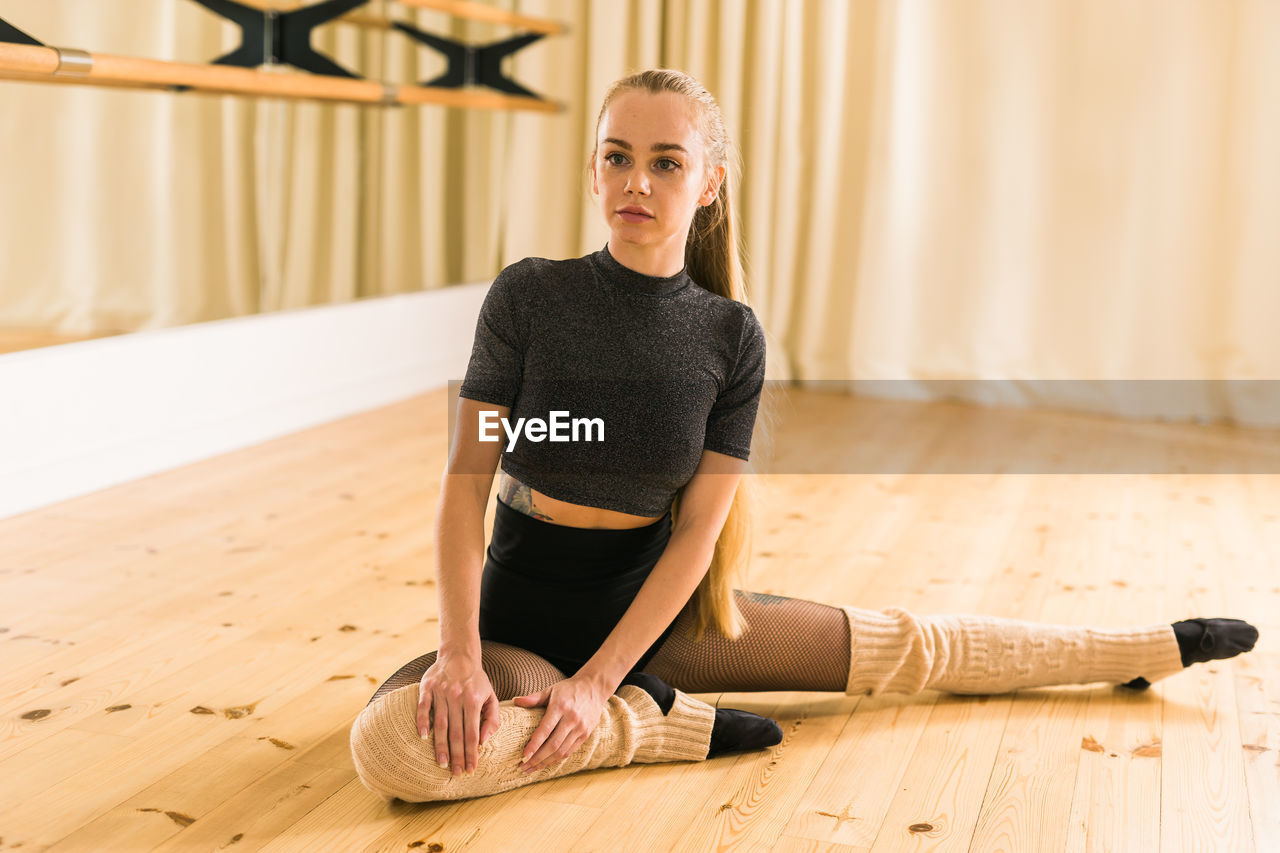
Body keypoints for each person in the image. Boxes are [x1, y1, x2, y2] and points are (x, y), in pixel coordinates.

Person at [348, 69, 1259, 804]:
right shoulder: (529, 296)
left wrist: (600, 679)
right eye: (618, 157)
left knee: (909, 645)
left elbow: (700, 530)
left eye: (668, 162)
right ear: (591, 172)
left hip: (655, 625)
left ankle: (1146, 643)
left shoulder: (729, 335)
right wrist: (463, 655)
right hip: (515, 628)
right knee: (392, 747)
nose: (638, 181)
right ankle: (653, 728)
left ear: (707, 186)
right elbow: (467, 479)